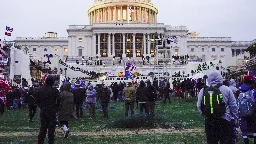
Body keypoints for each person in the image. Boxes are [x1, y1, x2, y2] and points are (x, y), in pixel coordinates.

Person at [197, 70, 238, 144]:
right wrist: (235, 119)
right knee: (226, 141)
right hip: (225, 120)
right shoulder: (227, 89)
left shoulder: (203, 90)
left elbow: (199, 106)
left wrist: (205, 114)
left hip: (210, 121)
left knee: (212, 141)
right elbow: (233, 106)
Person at [36, 76, 61, 144]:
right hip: (52, 110)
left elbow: (37, 100)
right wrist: (56, 107)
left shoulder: (40, 90)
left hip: (43, 110)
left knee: (43, 127)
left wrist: (41, 106)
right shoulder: (55, 90)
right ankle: (50, 141)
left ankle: (40, 141)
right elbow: (59, 100)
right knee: (51, 128)